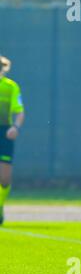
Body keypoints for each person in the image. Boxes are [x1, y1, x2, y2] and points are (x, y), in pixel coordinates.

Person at [0, 55, 25, 225]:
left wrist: (15, 127)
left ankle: (0, 205)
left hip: (4, 133)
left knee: (5, 179)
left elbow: (20, 111)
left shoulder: (11, 87)